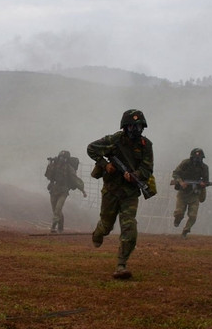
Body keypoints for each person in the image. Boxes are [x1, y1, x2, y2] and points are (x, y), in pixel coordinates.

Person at [86, 109, 154, 279]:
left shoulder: (146, 145)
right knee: (106, 225)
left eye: (139, 126)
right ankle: (98, 233)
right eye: (132, 126)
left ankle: (121, 265)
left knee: (129, 227)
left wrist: (135, 176)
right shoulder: (114, 139)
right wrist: (104, 164)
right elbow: (91, 148)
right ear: (125, 126)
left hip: (130, 193)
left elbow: (147, 169)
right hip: (111, 190)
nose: (136, 130)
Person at [44, 150, 86, 234]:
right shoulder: (53, 165)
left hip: (63, 191)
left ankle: (53, 227)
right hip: (54, 189)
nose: (61, 159)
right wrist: (50, 165)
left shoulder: (69, 168)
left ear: (67, 159)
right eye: (60, 157)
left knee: (58, 209)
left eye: (64, 158)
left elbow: (75, 179)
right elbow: (48, 176)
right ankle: (61, 227)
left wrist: (82, 190)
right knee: (55, 210)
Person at [171, 148, 210, 238]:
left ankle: (185, 231)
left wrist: (203, 184)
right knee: (179, 213)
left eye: (199, 159)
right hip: (183, 193)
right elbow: (175, 173)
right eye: (196, 158)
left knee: (193, 216)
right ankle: (177, 220)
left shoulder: (204, 167)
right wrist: (181, 182)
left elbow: (206, 181)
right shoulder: (185, 163)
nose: (197, 160)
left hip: (195, 194)